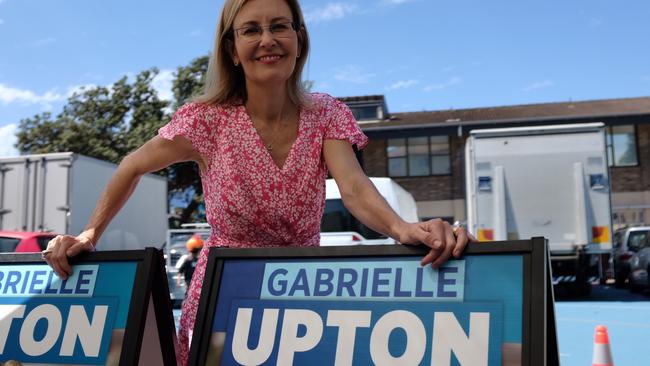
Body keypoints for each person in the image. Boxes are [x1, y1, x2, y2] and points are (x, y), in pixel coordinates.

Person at [42, 0, 476, 363]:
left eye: (279, 26)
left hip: (303, 293)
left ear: (299, 39)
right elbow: (131, 166)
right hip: (221, 295)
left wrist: (404, 229)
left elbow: (356, 189)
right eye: (250, 30)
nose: (267, 40)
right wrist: (89, 232)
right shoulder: (206, 122)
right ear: (232, 49)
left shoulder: (324, 114)